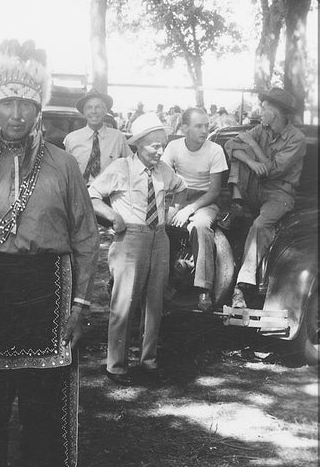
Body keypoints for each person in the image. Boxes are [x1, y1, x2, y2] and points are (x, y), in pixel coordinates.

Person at [0, 39, 99, 467]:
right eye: (6, 103)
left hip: (49, 289)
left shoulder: (63, 163)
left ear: (38, 107)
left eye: (25, 103)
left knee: (42, 403)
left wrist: (81, 304)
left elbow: (86, 236)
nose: (16, 114)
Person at [89, 113, 187, 384]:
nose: (160, 151)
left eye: (163, 145)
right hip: (130, 237)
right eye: (155, 145)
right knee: (124, 301)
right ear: (139, 144)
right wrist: (113, 217)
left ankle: (148, 361)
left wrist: (174, 210)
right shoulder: (121, 167)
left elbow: (181, 187)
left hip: (159, 237)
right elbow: (92, 195)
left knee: (155, 301)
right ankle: (116, 366)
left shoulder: (164, 170)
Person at [220, 87, 306, 309]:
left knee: (260, 225)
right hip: (253, 190)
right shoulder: (261, 129)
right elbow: (231, 145)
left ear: (275, 112)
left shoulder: (296, 138)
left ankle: (242, 285)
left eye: (264, 107)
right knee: (239, 159)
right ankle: (237, 204)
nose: (260, 111)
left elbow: (272, 170)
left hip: (280, 194)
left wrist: (254, 146)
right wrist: (251, 162)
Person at [162, 107, 228, 312]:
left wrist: (188, 210)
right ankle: (159, 282)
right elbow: (162, 178)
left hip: (205, 199)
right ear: (184, 128)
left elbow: (214, 191)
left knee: (201, 225)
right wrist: (172, 206)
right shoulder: (173, 147)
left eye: (207, 126)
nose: (204, 130)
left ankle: (203, 288)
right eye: (198, 126)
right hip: (178, 195)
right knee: (158, 224)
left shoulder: (215, 150)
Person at [63, 87, 131, 185]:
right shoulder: (71, 139)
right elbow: (66, 172)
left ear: (105, 111)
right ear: (84, 112)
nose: (94, 111)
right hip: (80, 193)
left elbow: (132, 166)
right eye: (89, 107)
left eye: (98, 107)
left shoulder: (117, 137)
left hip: (109, 195)